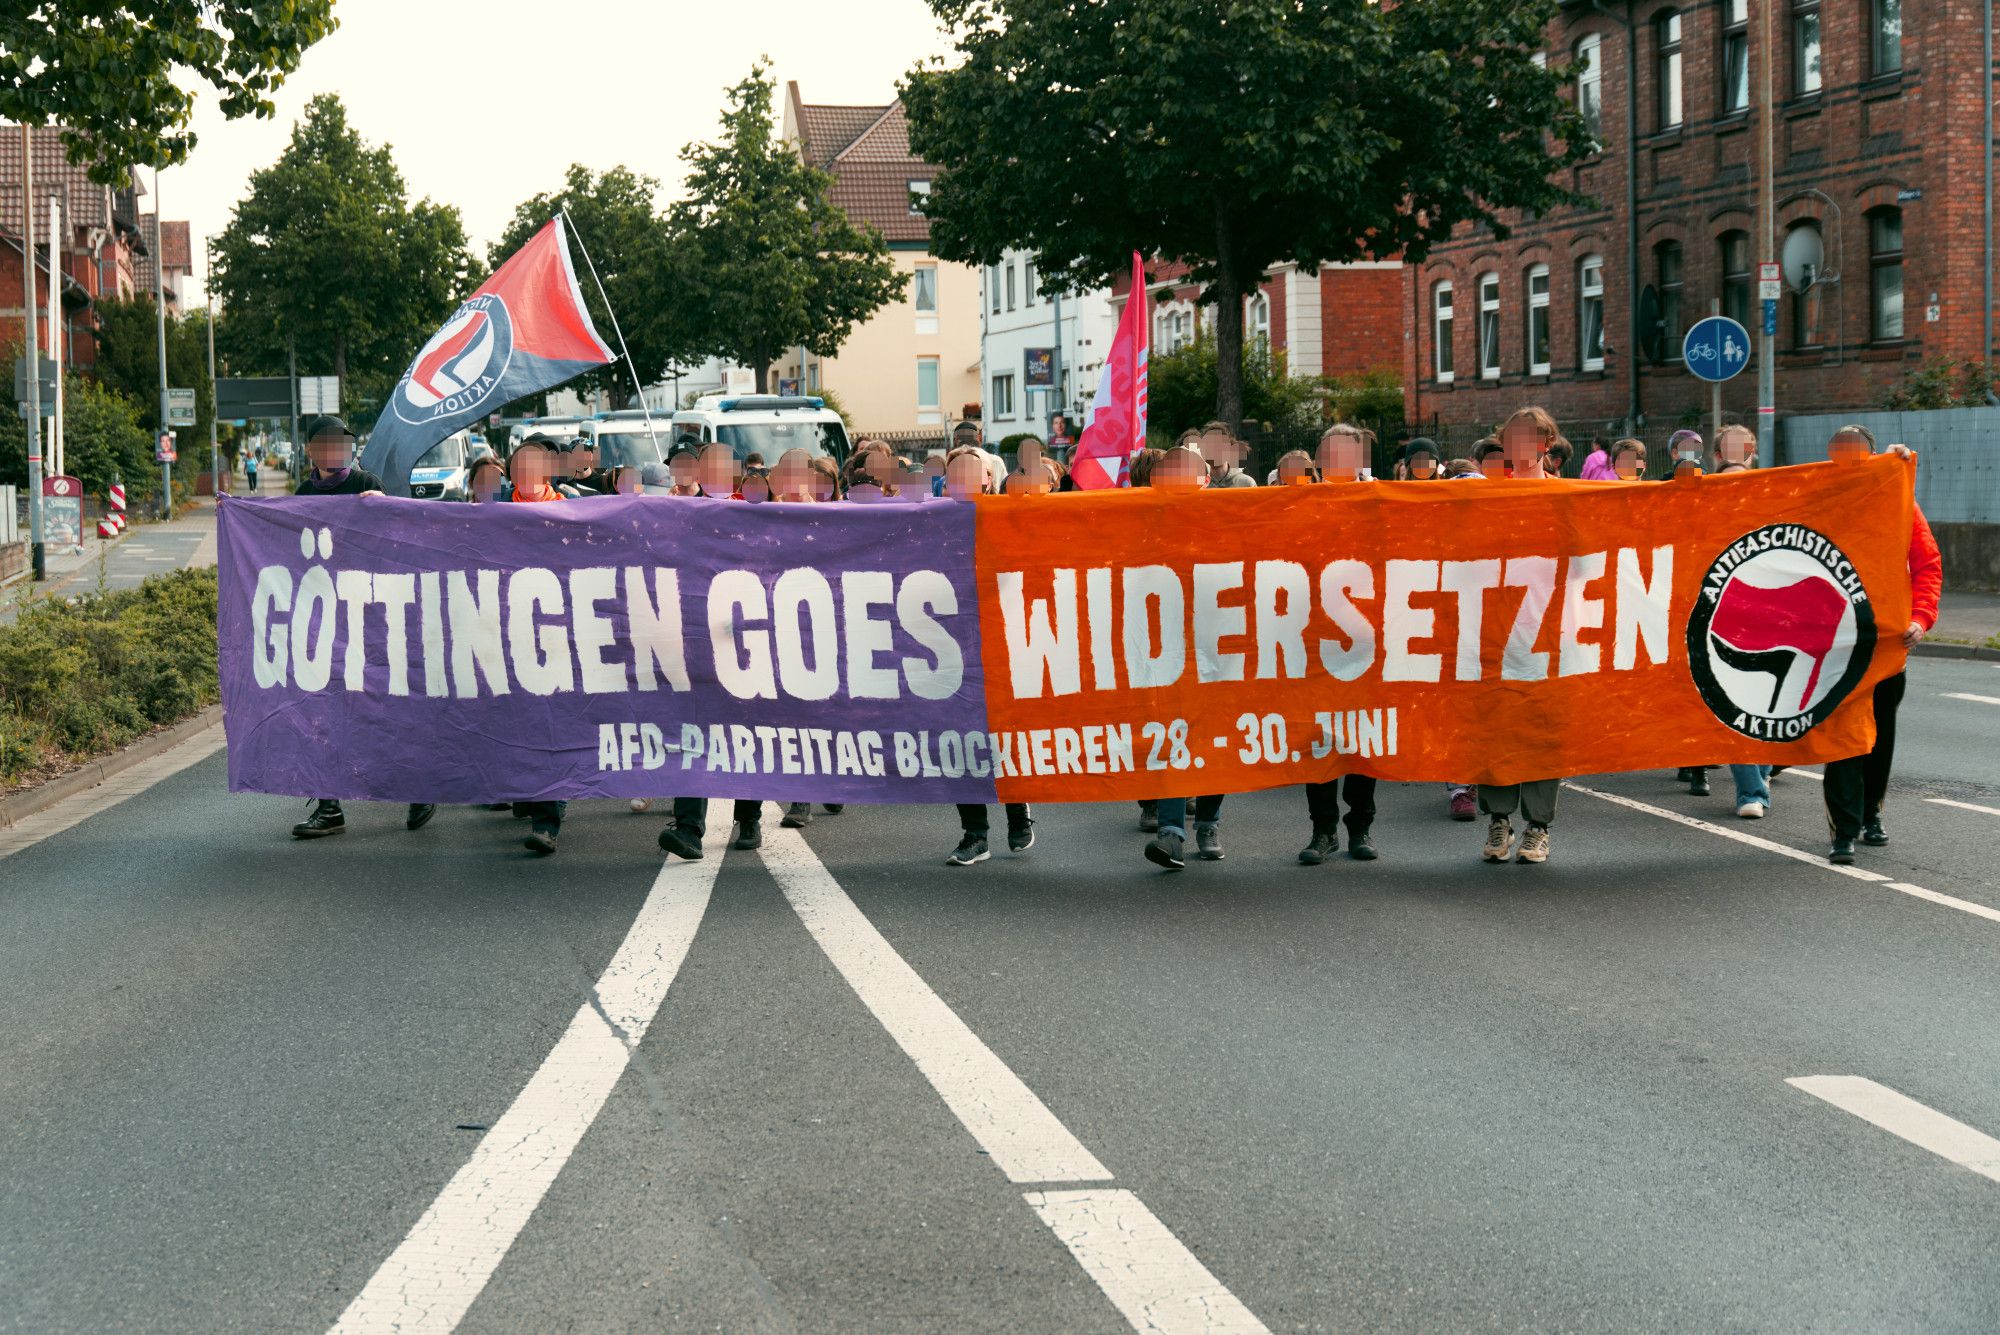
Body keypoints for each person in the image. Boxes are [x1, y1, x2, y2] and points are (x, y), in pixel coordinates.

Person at [286, 418, 439, 840]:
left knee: (385, 705)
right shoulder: (303, 493)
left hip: (371, 614)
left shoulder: (365, 483)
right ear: (312, 451)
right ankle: (329, 806)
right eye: (327, 445)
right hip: (327, 617)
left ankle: (419, 787)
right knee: (324, 708)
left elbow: (396, 539)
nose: (336, 451)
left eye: (343, 443)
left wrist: (385, 507)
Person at [1821, 424, 1942, 864]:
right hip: (1837, 644)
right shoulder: (1819, 498)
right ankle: (1844, 830)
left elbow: (1926, 564)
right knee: (1844, 736)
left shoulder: (1899, 501)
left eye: (1860, 453)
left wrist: (1920, 618)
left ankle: (1871, 811)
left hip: (1888, 644)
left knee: (1880, 737)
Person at [1476, 408, 1568, 865]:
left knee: (1540, 731)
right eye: (1511, 436)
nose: (1519, 444)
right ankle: (1498, 817)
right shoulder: (1487, 495)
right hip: (1493, 631)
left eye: (1529, 437)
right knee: (1495, 728)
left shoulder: (1568, 496)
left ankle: (1538, 825)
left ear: (1546, 444)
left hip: (1547, 631)